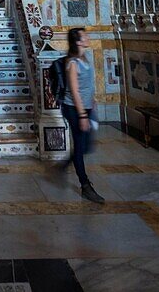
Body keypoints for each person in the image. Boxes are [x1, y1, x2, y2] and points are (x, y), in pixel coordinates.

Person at [59, 27, 105, 204]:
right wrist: (82, 116)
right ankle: (85, 185)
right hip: (74, 109)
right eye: (85, 36)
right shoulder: (72, 63)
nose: (88, 37)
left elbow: (86, 86)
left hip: (86, 108)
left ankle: (64, 165)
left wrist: (92, 102)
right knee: (80, 146)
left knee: (86, 146)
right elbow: (75, 91)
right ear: (78, 41)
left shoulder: (85, 58)